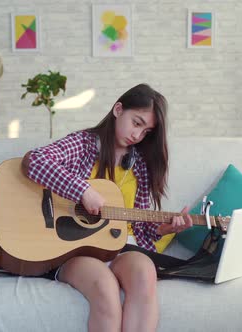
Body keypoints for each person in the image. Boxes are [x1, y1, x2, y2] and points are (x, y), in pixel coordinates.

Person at [20, 83, 193, 332]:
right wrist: (83, 191)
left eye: (146, 131)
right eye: (137, 123)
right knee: (104, 284)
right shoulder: (83, 144)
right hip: (74, 250)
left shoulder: (140, 165)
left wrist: (161, 230)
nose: (138, 135)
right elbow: (34, 160)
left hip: (120, 248)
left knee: (145, 272)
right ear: (118, 109)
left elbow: (137, 226)